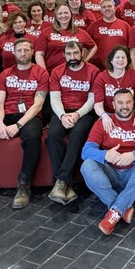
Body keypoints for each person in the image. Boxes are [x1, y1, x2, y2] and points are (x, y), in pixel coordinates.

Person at [0, 38, 48, 209]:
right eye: (19, 50)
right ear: (13, 53)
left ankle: (24, 184)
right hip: (6, 114)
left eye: (26, 50)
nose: (23, 53)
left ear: (32, 52)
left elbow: (38, 105)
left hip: (29, 116)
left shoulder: (41, 73)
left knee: (33, 137)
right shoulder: (5, 74)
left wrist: (18, 126)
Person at [81, 88, 135, 235]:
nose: (125, 106)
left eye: (128, 102)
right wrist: (105, 155)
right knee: (87, 165)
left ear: (133, 103)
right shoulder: (102, 122)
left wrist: (134, 155)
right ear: (113, 105)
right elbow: (86, 151)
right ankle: (121, 208)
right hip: (110, 174)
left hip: (133, 176)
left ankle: (114, 212)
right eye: (120, 103)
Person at [46, 41, 100, 205]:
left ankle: (60, 181)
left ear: (82, 53)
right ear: (64, 55)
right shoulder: (57, 71)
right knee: (53, 134)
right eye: (68, 54)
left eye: (75, 53)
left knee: (77, 134)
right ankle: (64, 182)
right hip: (62, 111)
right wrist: (63, 115)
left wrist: (77, 114)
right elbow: (54, 98)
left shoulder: (93, 71)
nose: (72, 57)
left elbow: (92, 99)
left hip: (83, 112)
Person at [91, 45, 135, 124]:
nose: (120, 60)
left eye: (123, 57)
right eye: (117, 57)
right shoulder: (101, 77)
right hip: (109, 114)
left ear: (127, 60)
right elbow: (98, 105)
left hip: (131, 114)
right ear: (111, 60)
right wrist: (104, 115)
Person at [34, 4, 97, 69]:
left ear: (71, 15)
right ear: (56, 16)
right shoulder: (46, 32)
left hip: (75, 72)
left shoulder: (81, 32)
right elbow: (39, 54)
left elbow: (93, 47)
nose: (63, 16)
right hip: (51, 72)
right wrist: (44, 73)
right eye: (60, 13)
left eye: (66, 13)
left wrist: (85, 60)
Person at [87, 0, 134, 68]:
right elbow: (86, 47)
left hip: (121, 67)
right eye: (104, 7)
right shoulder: (93, 26)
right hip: (99, 68)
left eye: (109, 6)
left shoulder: (125, 26)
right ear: (101, 10)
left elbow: (132, 49)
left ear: (114, 8)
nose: (107, 9)